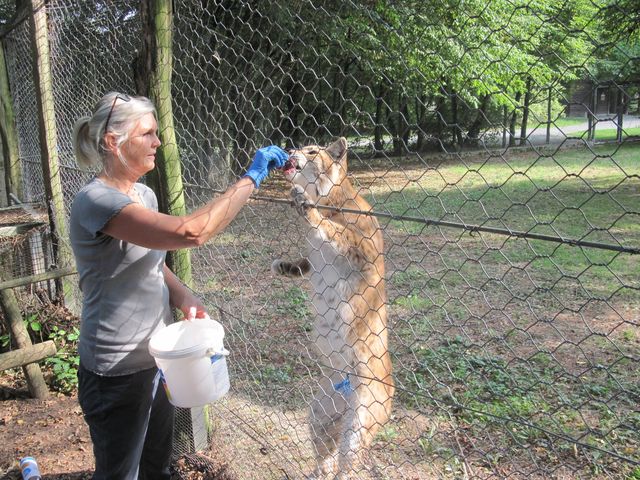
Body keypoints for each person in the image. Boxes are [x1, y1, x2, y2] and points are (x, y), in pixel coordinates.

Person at [69, 91, 287, 479]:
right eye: (147, 134)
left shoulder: (143, 194)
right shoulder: (96, 200)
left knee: (157, 466)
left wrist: (181, 292)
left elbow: (151, 261)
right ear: (112, 142)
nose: (158, 142)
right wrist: (250, 180)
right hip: (114, 371)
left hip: (159, 360)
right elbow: (190, 232)